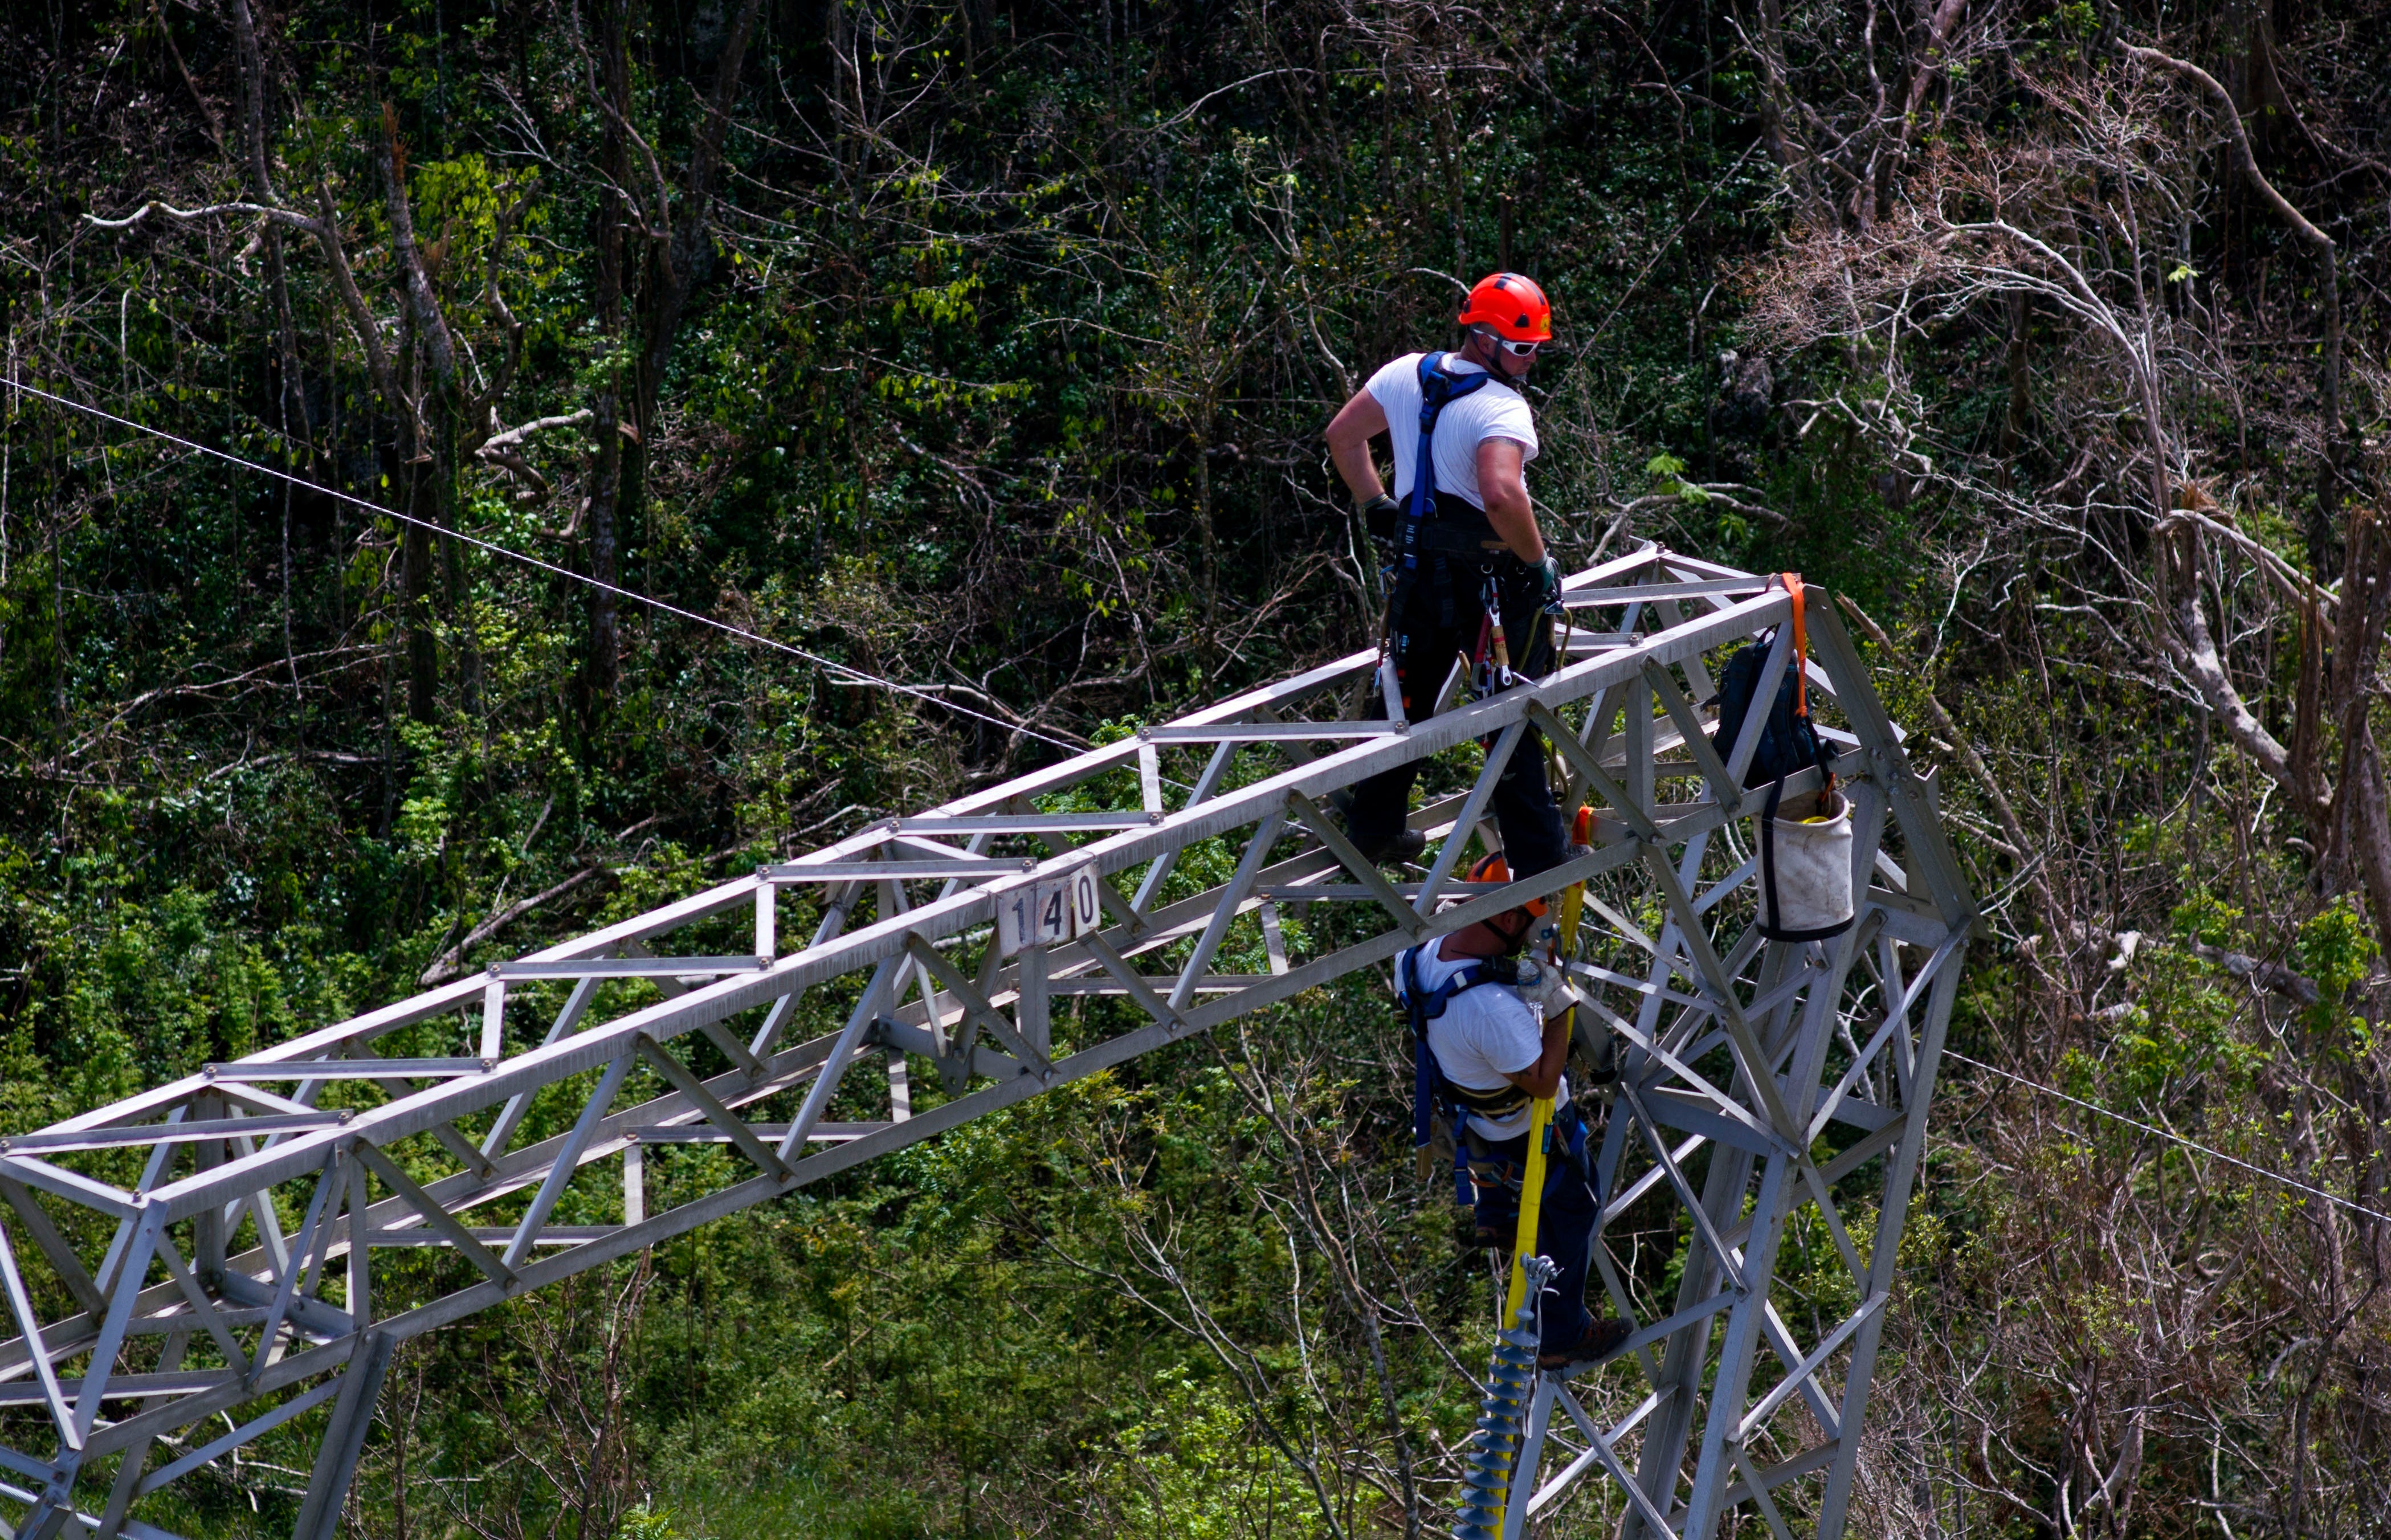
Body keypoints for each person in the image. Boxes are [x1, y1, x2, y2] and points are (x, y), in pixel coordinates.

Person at [1325, 272, 1568, 872]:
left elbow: (1342, 436)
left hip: (1416, 574)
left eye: (1535, 348)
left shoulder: (1404, 373)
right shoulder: (1499, 406)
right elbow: (1502, 496)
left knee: (1402, 705)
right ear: (1482, 338)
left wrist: (1375, 504)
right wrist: (1537, 565)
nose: (1529, 361)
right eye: (1520, 348)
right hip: (1488, 586)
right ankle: (1537, 857)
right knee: (1509, 713)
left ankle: (1373, 829)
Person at [1398, 880, 1631, 1370]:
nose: (1531, 938)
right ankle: (1562, 1335)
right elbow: (1544, 1084)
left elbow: (1488, 985)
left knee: (1498, 1145)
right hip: (1524, 1126)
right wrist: (1559, 1006)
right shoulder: (1489, 1011)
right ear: (1507, 919)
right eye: (1529, 926)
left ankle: (1498, 1211)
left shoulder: (1417, 954)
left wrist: (1528, 973)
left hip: (1471, 1112)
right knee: (1574, 1211)